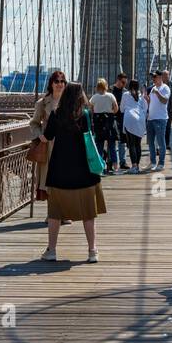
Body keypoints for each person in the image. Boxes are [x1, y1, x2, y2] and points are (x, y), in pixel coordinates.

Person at [37, 82, 106, 262]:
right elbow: (91, 136)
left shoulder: (56, 114)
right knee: (88, 214)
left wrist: (39, 135)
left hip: (59, 171)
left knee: (54, 214)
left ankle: (51, 250)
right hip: (85, 171)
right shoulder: (85, 115)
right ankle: (92, 251)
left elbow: (48, 136)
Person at [29, 70, 67, 203]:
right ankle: (53, 214)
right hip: (49, 146)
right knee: (50, 180)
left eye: (62, 81)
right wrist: (40, 136)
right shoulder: (42, 102)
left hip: (66, 145)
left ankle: (63, 213)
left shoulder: (69, 101)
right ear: (51, 83)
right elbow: (34, 123)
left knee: (64, 178)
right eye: (56, 81)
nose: (60, 84)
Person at [90, 78, 120, 174]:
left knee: (99, 145)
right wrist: (111, 112)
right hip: (109, 121)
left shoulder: (94, 97)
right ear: (106, 86)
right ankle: (115, 167)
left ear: (97, 87)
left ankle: (100, 167)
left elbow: (90, 107)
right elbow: (116, 108)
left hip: (98, 122)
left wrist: (96, 111)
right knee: (112, 146)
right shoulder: (110, 96)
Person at [145, 70, 171, 170]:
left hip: (160, 118)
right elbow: (152, 102)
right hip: (151, 118)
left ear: (160, 77)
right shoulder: (153, 88)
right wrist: (147, 99)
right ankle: (152, 162)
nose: (153, 79)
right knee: (151, 143)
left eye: (155, 77)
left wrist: (157, 93)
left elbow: (164, 101)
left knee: (161, 142)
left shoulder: (165, 88)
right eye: (153, 77)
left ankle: (161, 163)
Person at [121, 79, 147, 173]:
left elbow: (121, 109)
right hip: (140, 119)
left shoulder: (125, 94)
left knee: (131, 144)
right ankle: (137, 166)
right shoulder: (141, 96)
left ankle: (134, 166)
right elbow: (145, 108)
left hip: (129, 119)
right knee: (138, 144)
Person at [110, 72, 130, 170]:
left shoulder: (125, 92)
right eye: (122, 82)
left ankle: (123, 162)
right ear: (118, 80)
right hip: (112, 118)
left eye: (125, 83)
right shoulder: (110, 90)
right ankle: (112, 162)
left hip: (122, 119)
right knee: (112, 141)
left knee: (123, 141)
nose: (124, 85)